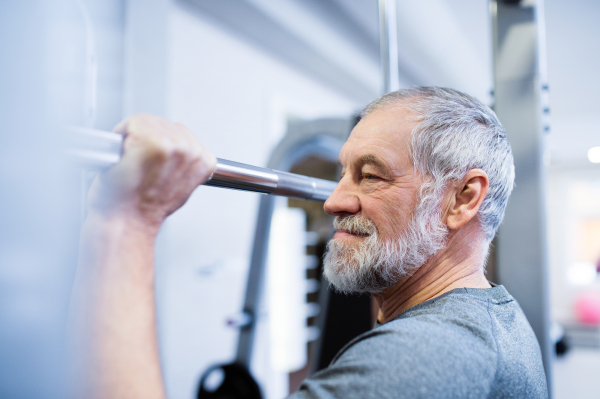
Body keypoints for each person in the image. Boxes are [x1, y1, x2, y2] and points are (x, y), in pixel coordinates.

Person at [69, 87, 548, 398]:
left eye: (370, 175)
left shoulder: (430, 355)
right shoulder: (491, 320)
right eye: (343, 172)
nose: (335, 200)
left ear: (463, 198)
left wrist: (128, 219)